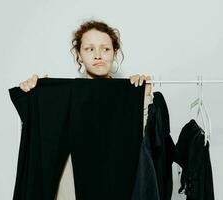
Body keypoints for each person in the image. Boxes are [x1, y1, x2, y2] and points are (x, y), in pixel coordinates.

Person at [17, 19, 153, 200]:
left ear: (114, 53)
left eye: (105, 49)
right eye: (89, 49)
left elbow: (145, 143)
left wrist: (143, 97)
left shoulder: (129, 95)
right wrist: (38, 97)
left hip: (116, 187)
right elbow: (38, 143)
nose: (98, 55)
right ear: (79, 55)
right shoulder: (62, 97)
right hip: (70, 189)